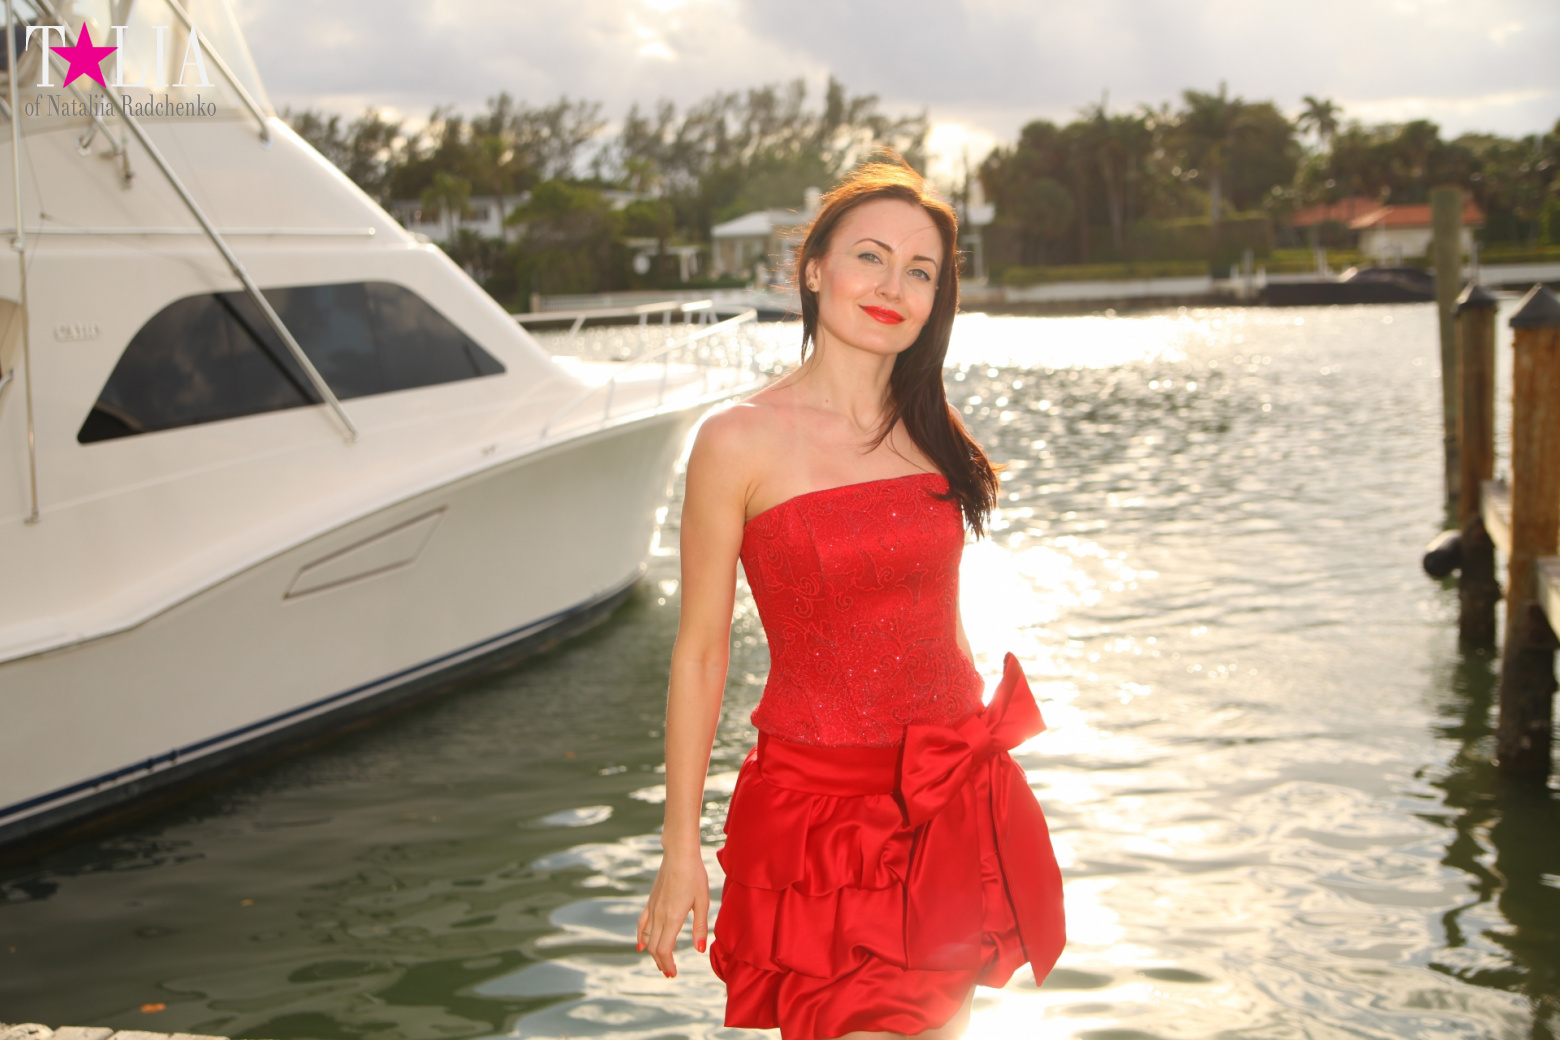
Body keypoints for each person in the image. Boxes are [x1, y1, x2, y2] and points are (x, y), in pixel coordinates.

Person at [637, 156, 1065, 1040]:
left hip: (945, 802)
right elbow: (701, 653)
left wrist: (977, 771)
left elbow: (935, 615)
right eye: (869, 257)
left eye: (921, 272)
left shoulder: (932, 434)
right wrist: (682, 846)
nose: (892, 287)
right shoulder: (737, 441)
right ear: (812, 268)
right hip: (818, 823)